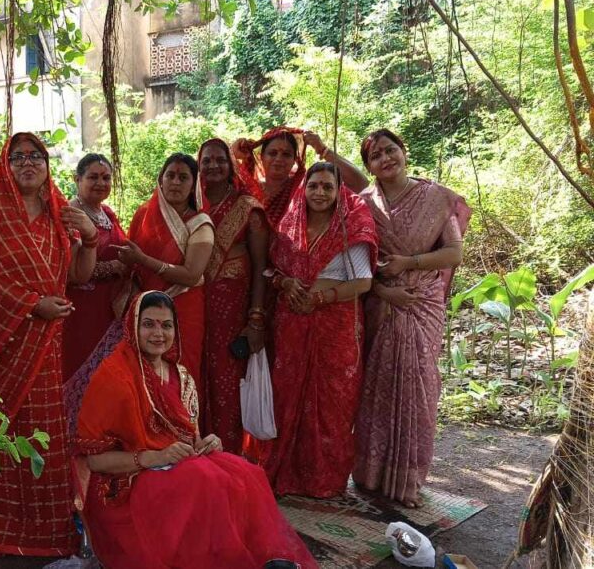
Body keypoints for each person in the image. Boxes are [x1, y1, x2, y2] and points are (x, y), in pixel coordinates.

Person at [75, 291, 318, 569]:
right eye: (148, 324)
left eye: (167, 325)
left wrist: (206, 442)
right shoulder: (113, 376)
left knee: (244, 474)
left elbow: (188, 438)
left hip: (176, 466)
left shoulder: (180, 375)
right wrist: (152, 457)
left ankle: (258, 559)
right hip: (125, 484)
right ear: (132, 326)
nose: (158, 334)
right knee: (203, 479)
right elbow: (94, 461)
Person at [0, 133, 97, 556]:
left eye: (37, 157)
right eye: (18, 157)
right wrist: (32, 305)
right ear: (6, 165)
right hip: (0, 346)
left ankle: (45, 530)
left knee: (43, 431)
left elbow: (79, 276)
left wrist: (90, 238)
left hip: (46, 347)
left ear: (48, 167)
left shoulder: (59, 216)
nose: (28, 163)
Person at [353, 129, 471, 508]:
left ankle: (408, 479)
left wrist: (409, 263)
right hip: (381, 302)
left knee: (418, 387)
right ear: (369, 166)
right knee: (376, 385)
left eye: (391, 150)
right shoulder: (363, 204)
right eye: (376, 155)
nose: (386, 159)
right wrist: (383, 291)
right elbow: (355, 261)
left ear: (404, 151)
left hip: (422, 303)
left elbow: (453, 253)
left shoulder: (435, 198)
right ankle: (370, 476)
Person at [264, 162, 378, 497]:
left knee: (331, 401)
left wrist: (320, 298)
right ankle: (285, 472)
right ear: (304, 189)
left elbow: (363, 282)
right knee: (287, 395)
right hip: (292, 322)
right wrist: (286, 283)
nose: (320, 193)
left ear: (339, 191)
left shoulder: (351, 227)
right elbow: (272, 270)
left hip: (335, 326)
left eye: (328, 186)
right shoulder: (289, 226)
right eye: (313, 185)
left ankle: (322, 479)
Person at [117, 153, 213, 419]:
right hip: (144, 308)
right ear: (161, 179)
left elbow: (191, 275)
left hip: (184, 309)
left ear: (194, 185)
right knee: (142, 372)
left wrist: (143, 260)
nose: (175, 182)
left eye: (183, 177)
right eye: (170, 175)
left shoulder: (200, 224)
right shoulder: (144, 214)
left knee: (182, 371)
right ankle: (145, 433)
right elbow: (131, 266)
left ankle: (183, 431)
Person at [197, 138, 269, 454]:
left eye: (220, 160)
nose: (213, 165)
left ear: (231, 166)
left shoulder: (248, 209)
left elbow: (261, 267)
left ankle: (228, 460)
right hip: (193, 309)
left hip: (232, 314)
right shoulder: (189, 205)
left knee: (227, 385)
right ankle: (196, 460)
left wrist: (256, 319)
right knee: (195, 380)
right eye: (206, 160)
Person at [63, 153, 129, 381]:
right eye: (93, 177)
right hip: (82, 310)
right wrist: (113, 267)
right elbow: (69, 271)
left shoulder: (107, 213)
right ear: (77, 179)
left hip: (110, 308)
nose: (101, 183)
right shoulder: (70, 215)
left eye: (106, 178)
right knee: (81, 371)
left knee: (107, 377)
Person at [233, 127, 369, 229]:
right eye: (272, 153)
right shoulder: (248, 189)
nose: (279, 159)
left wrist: (322, 149)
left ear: (294, 160)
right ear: (261, 157)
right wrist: (232, 154)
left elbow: (361, 184)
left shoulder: (303, 186)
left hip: (289, 256)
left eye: (286, 154)